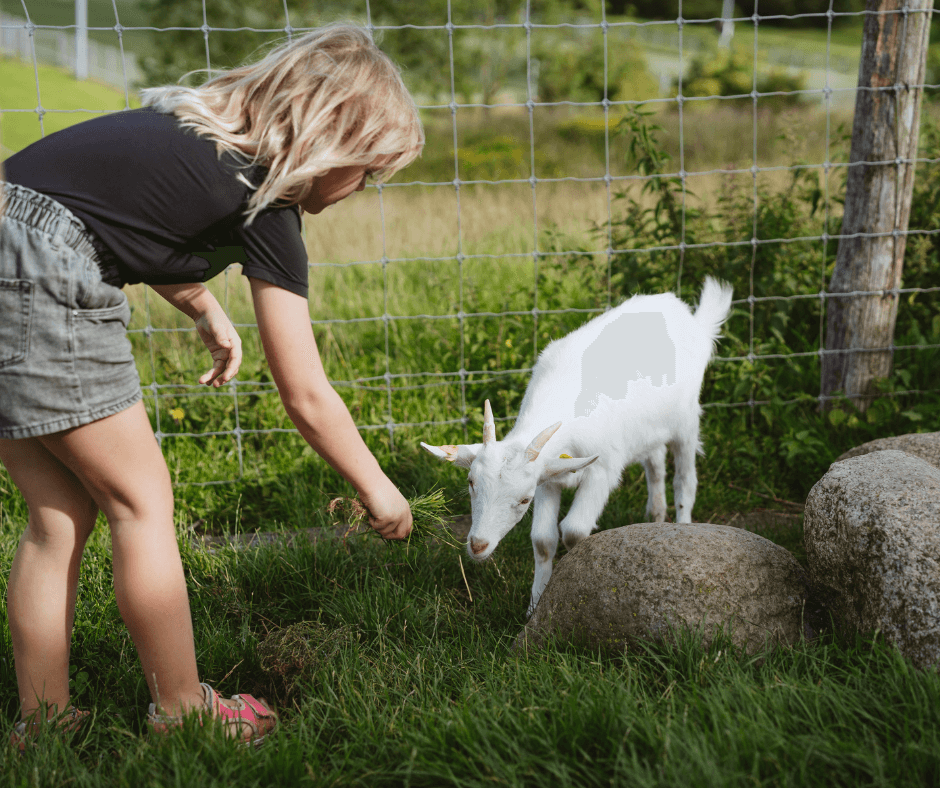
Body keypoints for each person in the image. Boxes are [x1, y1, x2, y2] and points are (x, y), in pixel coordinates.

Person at [0, 22, 422, 747]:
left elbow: (104, 209)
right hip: (41, 280)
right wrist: (377, 486)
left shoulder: (186, 131)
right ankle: (183, 713)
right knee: (142, 503)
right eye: (368, 172)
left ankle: (43, 726)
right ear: (333, 143)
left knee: (57, 514)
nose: (364, 190)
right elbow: (306, 392)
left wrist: (202, 307)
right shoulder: (268, 205)